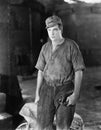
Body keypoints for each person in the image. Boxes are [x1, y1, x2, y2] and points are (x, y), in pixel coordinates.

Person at [34, 15, 85, 130]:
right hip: (47, 90)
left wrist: (75, 95)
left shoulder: (71, 46)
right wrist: (37, 94)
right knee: (42, 126)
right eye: (49, 30)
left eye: (55, 30)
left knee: (63, 126)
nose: (52, 33)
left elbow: (79, 71)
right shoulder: (45, 48)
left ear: (60, 29)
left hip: (65, 89)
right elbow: (40, 71)